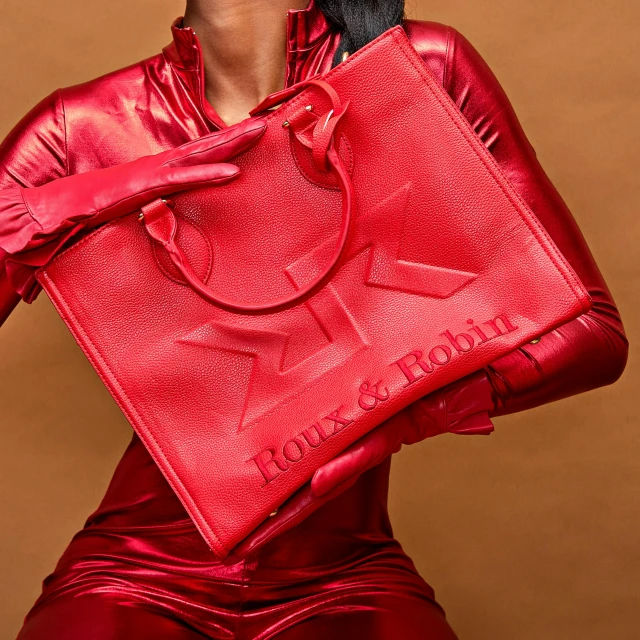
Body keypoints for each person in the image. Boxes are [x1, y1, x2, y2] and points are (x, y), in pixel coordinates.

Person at [0, 0, 627, 638]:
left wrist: (398, 419)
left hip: (346, 574)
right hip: (135, 571)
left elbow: (595, 332)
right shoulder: (76, 128)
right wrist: (41, 216)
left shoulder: (416, 67)